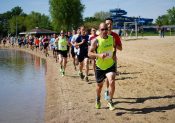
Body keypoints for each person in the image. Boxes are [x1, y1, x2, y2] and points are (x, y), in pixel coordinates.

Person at [88, 22, 116, 110]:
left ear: (108, 30)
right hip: (100, 67)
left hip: (110, 65)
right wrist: (99, 55)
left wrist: (113, 55)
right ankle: (98, 99)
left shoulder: (112, 38)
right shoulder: (96, 40)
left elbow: (114, 48)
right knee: (99, 86)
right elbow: (89, 53)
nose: (104, 31)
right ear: (99, 30)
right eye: (102, 29)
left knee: (111, 81)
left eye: (106, 29)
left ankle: (110, 101)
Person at [104, 18, 122, 100]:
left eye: (110, 24)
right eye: (107, 23)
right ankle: (106, 90)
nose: (109, 25)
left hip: (112, 60)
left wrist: (114, 43)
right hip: (102, 61)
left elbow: (121, 48)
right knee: (105, 80)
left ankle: (109, 98)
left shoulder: (115, 35)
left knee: (111, 79)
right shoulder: (101, 35)